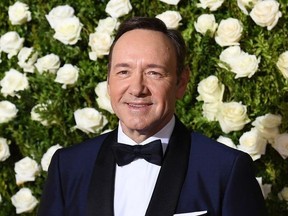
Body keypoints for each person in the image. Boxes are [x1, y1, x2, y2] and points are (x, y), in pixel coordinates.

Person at [37, 17, 267, 216]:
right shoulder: (67, 166)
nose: (137, 88)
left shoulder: (226, 170)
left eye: (154, 73)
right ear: (109, 80)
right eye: (123, 72)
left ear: (181, 82)